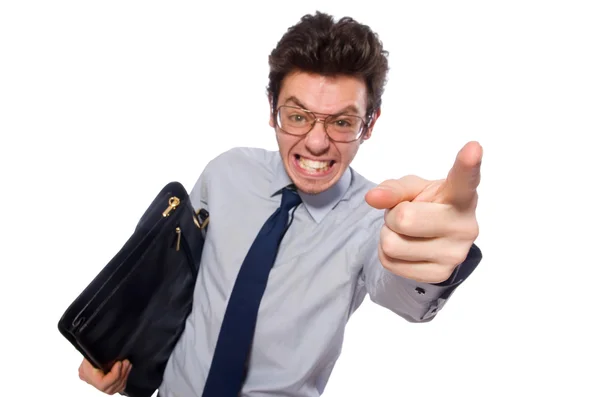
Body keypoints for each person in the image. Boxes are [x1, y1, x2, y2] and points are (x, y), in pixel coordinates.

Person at [78, 11, 483, 397]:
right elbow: (174, 283)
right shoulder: (225, 174)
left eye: (342, 122)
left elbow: (405, 296)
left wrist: (435, 257)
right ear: (272, 109)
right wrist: (115, 346)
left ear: (370, 124)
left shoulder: (377, 219)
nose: (317, 142)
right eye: (298, 115)